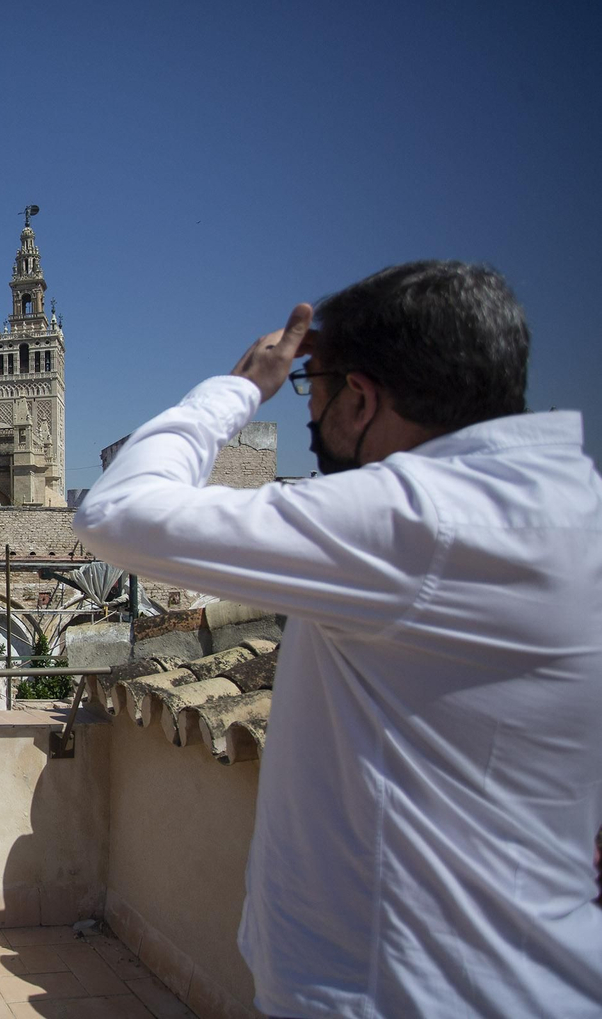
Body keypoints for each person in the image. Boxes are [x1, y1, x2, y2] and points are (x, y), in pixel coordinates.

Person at [76, 261, 602, 1017]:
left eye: (310, 393)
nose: (309, 423)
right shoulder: (567, 506)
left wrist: (241, 387)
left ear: (361, 398)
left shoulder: (423, 521)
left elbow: (117, 511)